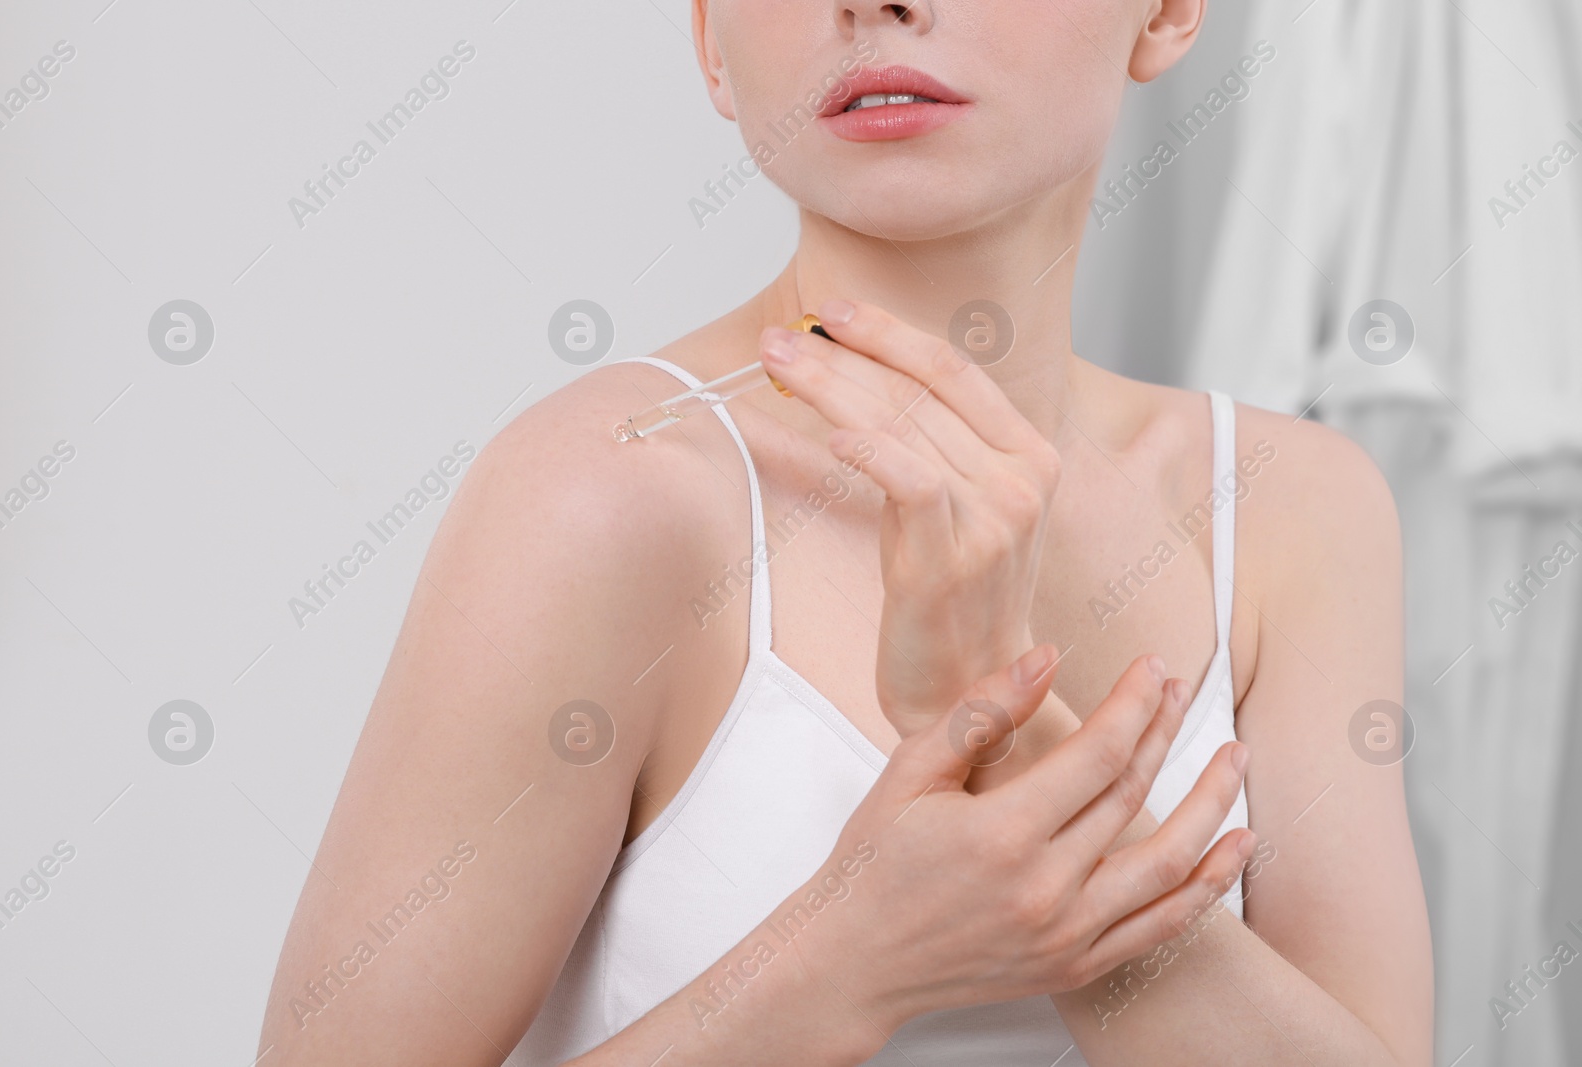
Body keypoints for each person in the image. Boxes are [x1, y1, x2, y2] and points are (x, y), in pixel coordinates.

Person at [256, 1, 1434, 1064]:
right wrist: (854, 954)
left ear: (1169, 12)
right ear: (712, 41)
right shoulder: (604, 491)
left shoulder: (1289, 505)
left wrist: (996, 725)